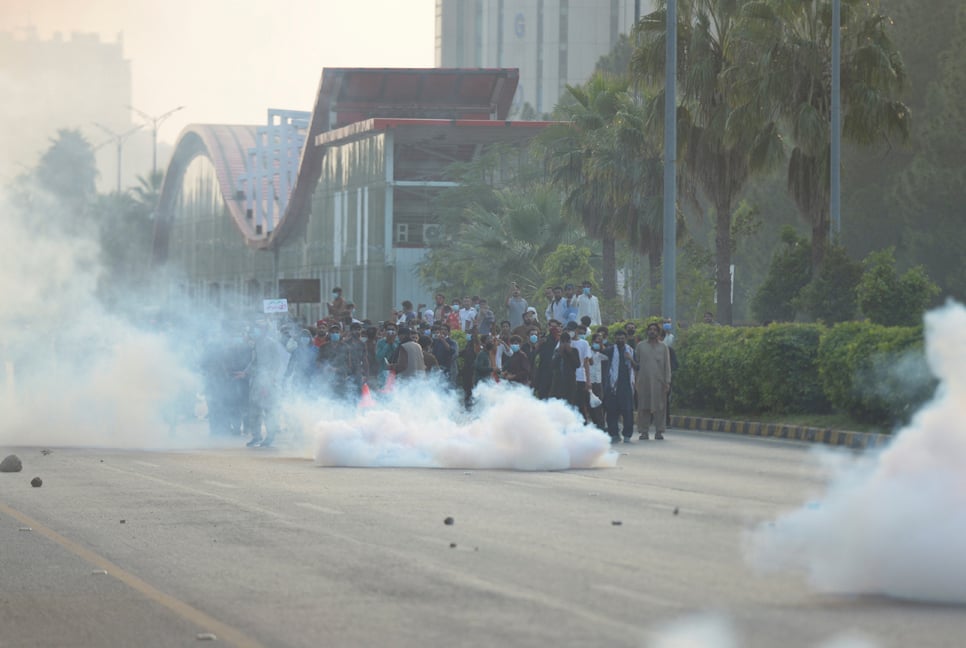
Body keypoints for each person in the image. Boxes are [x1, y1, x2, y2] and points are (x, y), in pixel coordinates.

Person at [634, 322, 672, 440]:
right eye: (650, 329)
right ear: (647, 332)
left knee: (660, 408)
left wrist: (667, 381)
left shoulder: (663, 347)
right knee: (643, 407)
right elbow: (636, 365)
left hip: (659, 382)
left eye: (655, 330)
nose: (652, 331)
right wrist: (635, 381)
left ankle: (659, 431)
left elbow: (667, 365)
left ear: (658, 332)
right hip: (643, 381)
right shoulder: (640, 346)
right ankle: (644, 431)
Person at [604, 330, 636, 444]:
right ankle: (614, 434)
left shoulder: (631, 351)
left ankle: (627, 434)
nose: (620, 340)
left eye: (622, 338)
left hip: (626, 386)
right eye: (618, 338)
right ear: (615, 339)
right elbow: (601, 351)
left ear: (625, 339)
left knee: (627, 412)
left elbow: (637, 367)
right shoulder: (611, 350)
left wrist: (630, 359)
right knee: (612, 411)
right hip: (613, 386)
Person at [549, 332, 582, 410]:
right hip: (557, 382)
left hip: (570, 382)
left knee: (570, 404)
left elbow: (577, 365)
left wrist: (570, 352)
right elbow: (552, 365)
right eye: (563, 342)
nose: (565, 344)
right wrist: (559, 353)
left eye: (567, 342)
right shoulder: (557, 351)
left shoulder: (574, 351)